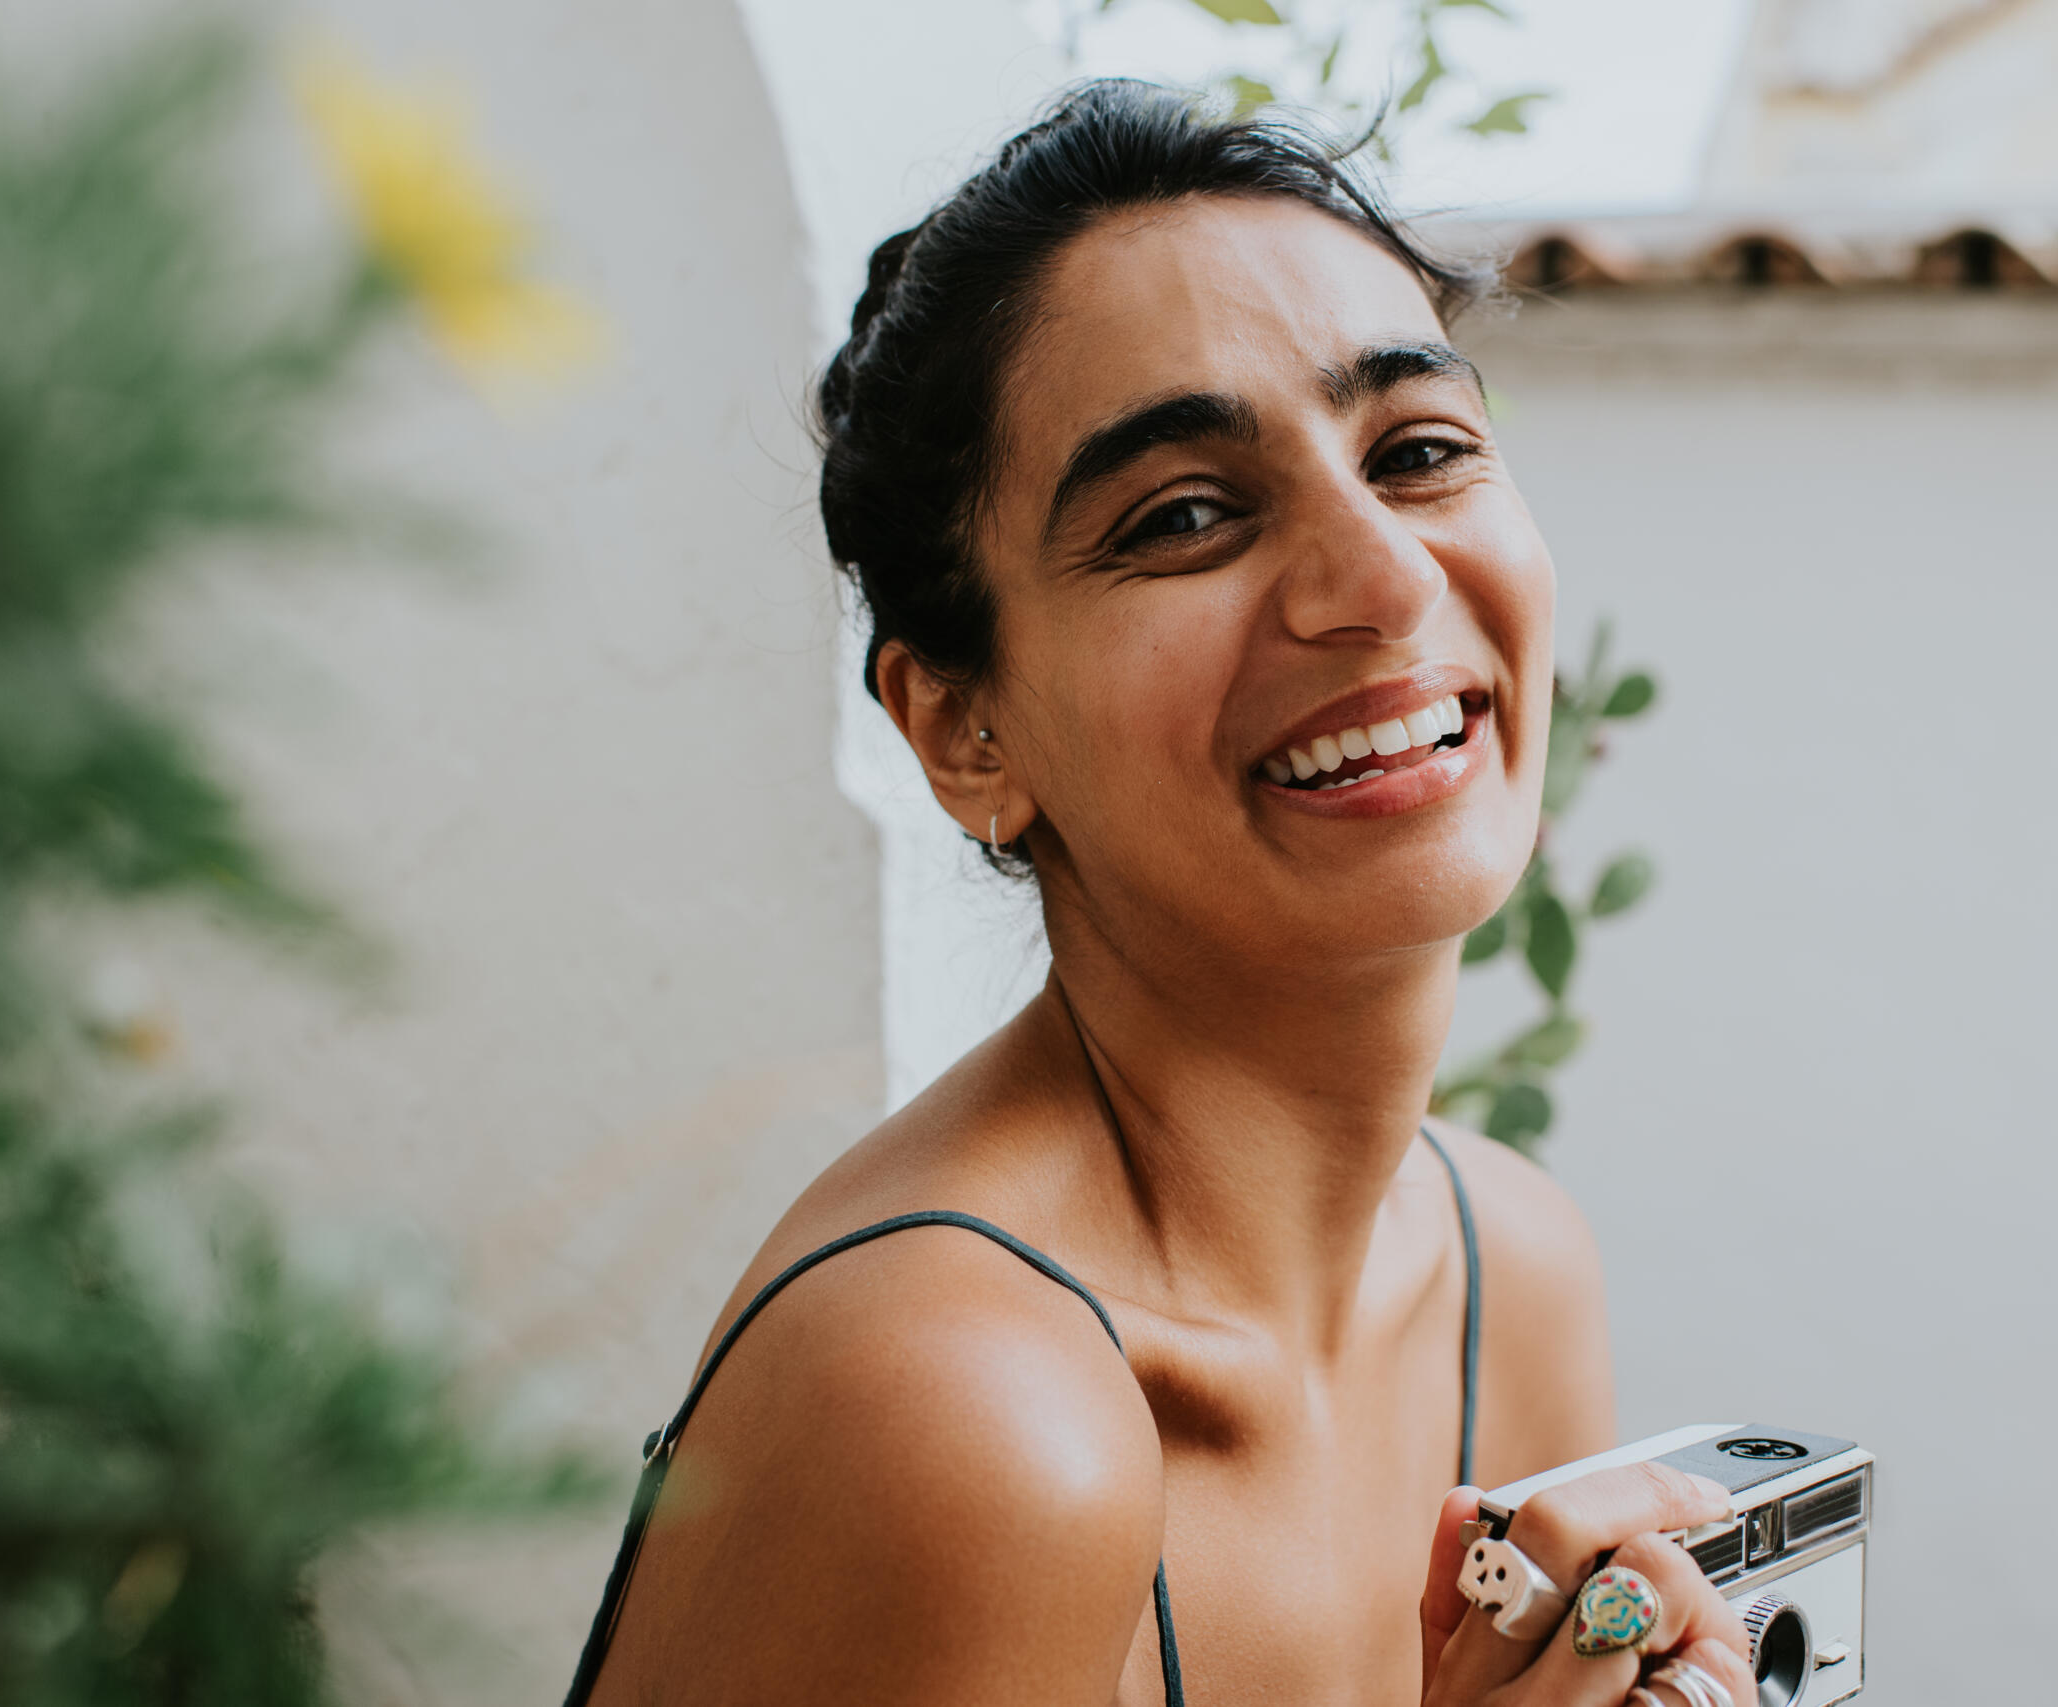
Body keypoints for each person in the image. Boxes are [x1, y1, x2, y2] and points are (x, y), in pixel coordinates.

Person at [567, 81, 1752, 1707]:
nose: (1387, 578)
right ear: (966, 731)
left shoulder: (1511, 1271)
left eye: (1418, 452)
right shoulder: (969, 1421)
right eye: (1185, 515)